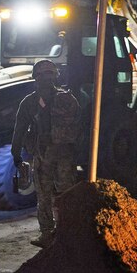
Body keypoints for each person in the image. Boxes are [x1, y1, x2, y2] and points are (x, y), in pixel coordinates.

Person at [12, 60, 81, 248]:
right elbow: (79, 127)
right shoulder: (69, 99)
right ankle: (69, 231)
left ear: (35, 77)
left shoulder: (29, 102)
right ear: (56, 76)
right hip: (65, 154)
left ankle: (47, 233)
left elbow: (19, 131)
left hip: (43, 155)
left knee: (44, 195)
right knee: (66, 193)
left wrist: (16, 155)